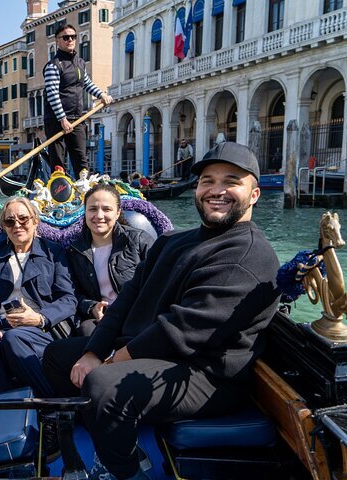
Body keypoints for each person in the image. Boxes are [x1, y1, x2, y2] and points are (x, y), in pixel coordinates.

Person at [43, 142, 280, 480]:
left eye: (231, 181)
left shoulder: (249, 255)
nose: (216, 190)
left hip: (206, 373)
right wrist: (94, 350)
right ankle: (110, 431)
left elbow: (179, 330)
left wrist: (108, 361)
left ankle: (125, 470)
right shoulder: (173, 241)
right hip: (154, 352)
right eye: (207, 181)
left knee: (103, 386)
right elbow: (128, 298)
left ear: (254, 194)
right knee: (56, 356)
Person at [0, 196, 77, 397]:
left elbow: (68, 299)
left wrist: (40, 318)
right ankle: (7, 403)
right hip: (1, 325)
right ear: (3, 226)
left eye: (23, 219)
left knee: (14, 337)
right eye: (10, 221)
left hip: (42, 328)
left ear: (35, 221)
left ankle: (49, 400)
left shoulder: (53, 253)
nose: (17, 225)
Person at [67, 184, 154, 337]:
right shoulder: (75, 251)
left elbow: (158, 283)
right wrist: (92, 307)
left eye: (106, 209)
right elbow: (73, 293)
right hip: (101, 318)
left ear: (117, 213)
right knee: (87, 331)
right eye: (92, 209)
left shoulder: (139, 241)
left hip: (136, 314)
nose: (99, 216)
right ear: (85, 212)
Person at [44, 24, 112, 178]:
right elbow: (52, 94)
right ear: (57, 40)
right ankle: (59, 196)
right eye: (66, 37)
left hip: (77, 118)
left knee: (81, 160)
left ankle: (85, 192)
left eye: (73, 37)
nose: (70, 40)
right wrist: (62, 119)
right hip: (56, 120)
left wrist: (101, 95)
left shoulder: (80, 63)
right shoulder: (53, 66)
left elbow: (86, 83)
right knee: (58, 162)